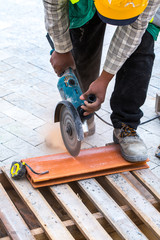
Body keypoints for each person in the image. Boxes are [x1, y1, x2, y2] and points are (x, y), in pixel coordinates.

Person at [42, 0, 160, 162]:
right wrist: (61, 48)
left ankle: (126, 125)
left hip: (141, 12)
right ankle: (82, 111)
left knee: (142, 43)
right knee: (82, 34)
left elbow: (134, 30)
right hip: (88, 3)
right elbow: (53, 4)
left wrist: (104, 80)